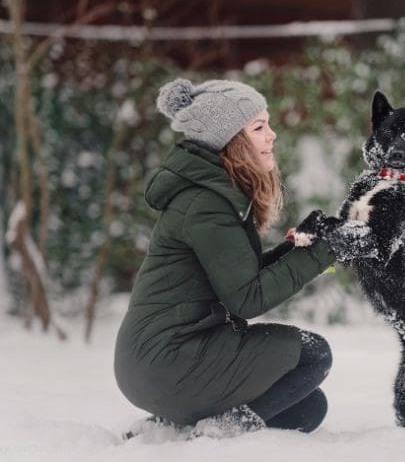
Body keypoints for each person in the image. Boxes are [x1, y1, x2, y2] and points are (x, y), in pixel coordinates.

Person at [114, 78, 342, 435]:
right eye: (259, 127)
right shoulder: (206, 205)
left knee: (307, 407)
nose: (272, 135)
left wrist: (301, 247)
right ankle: (221, 428)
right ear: (231, 140)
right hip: (169, 361)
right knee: (314, 355)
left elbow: (236, 277)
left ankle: (170, 425)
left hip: (161, 362)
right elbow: (247, 299)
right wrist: (325, 252)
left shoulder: (209, 195)